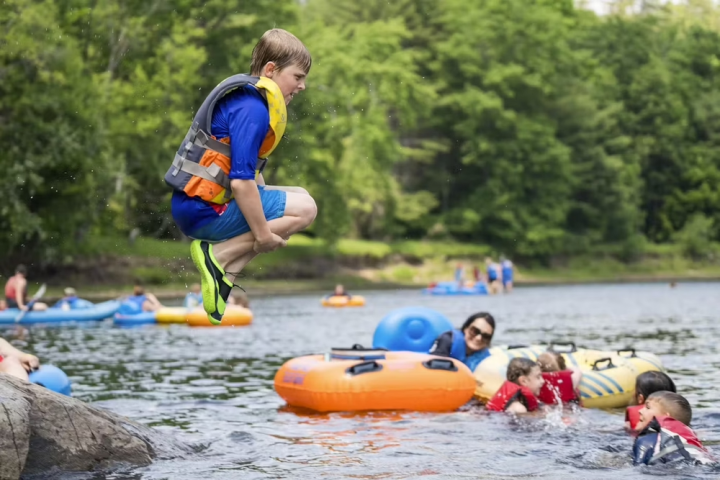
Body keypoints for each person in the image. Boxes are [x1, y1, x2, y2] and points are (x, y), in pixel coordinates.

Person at [166, 29, 316, 325]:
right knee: (307, 210)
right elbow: (241, 183)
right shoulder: (253, 110)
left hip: (194, 207)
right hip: (204, 212)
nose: (302, 86)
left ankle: (226, 275)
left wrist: (272, 228)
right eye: (297, 77)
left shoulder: (249, 101)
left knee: (301, 195)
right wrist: (263, 237)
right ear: (271, 70)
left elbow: (253, 178)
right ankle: (219, 257)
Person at [632, 391, 712, 465]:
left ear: (666, 417)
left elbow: (639, 466)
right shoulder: (690, 440)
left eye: (648, 407)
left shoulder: (650, 440)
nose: (640, 411)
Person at [429, 312, 495, 371]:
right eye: (475, 331)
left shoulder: (487, 360)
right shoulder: (447, 340)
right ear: (466, 328)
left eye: (486, 336)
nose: (478, 338)